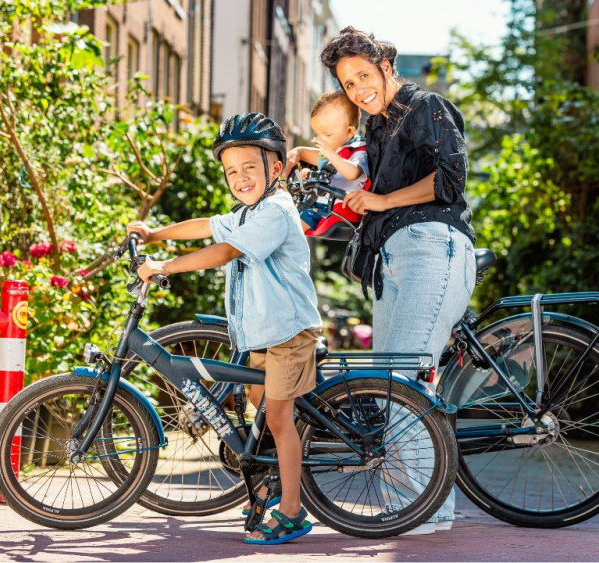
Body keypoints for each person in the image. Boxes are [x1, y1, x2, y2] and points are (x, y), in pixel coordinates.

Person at [126, 112, 320, 546]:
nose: (240, 177)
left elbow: (224, 249)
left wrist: (165, 267)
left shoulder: (274, 211)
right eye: (232, 170)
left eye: (250, 167)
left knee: (278, 416)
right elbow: (206, 226)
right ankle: (271, 480)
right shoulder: (248, 211)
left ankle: (292, 510)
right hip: (263, 334)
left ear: (275, 169)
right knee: (257, 399)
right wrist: (154, 235)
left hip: (289, 333)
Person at [320, 26, 477, 535]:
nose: (358, 89)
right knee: (392, 386)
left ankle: (416, 512)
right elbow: (370, 187)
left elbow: (451, 179)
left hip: (432, 247)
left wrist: (384, 201)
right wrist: (362, 203)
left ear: (386, 65)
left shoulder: (425, 106)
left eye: (364, 75)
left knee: (402, 382)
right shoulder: (378, 128)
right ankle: (422, 509)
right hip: (393, 261)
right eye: (348, 83)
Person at [283, 90, 370, 233]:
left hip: (334, 209)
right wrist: (309, 174)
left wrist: (331, 155)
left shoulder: (358, 150)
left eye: (327, 134)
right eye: (318, 134)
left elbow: (353, 173)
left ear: (349, 132)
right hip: (319, 204)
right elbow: (324, 170)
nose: (321, 139)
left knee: (291, 231)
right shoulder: (335, 149)